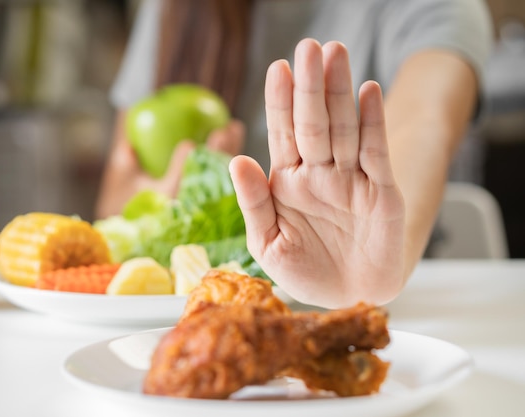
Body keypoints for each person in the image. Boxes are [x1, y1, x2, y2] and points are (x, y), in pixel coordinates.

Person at [96, 0, 493, 307]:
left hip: (397, 318)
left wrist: (370, 261)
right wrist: (166, 210)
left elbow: (423, 124)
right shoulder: (176, 9)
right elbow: (113, 204)